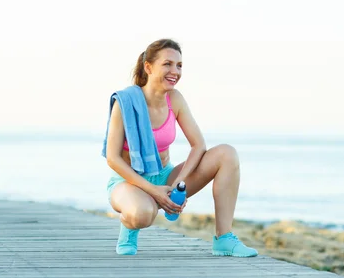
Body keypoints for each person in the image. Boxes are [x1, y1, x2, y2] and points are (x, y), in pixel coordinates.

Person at [102, 38, 258, 257]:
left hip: (165, 177)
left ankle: (224, 238)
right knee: (142, 214)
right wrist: (154, 192)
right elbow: (112, 158)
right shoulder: (125, 102)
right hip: (129, 181)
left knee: (227, 154)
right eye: (167, 64)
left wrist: (178, 183)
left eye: (179, 65)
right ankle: (129, 226)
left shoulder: (174, 99)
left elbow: (198, 145)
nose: (175, 71)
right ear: (148, 67)